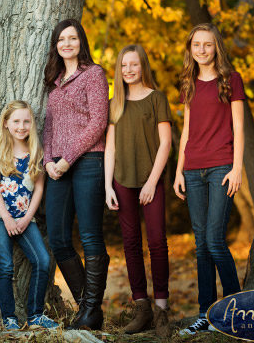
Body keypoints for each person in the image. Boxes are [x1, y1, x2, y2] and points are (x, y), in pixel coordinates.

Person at [174, 23, 244, 336]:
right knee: (201, 244)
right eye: (197, 45)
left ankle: (234, 310)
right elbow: (187, 130)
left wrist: (237, 167)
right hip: (192, 169)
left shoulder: (231, 80)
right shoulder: (188, 82)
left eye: (208, 44)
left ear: (216, 47)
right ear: (190, 49)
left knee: (215, 240)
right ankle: (206, 313)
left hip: (221, 166)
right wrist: (178, 170)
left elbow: (239, 128)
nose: (202, 50)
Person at [42, 19, 109, 330]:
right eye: (61, 39)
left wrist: (67, 159)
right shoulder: (54, 82)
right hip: (57, 166)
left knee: (90, 235)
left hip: (88, 162)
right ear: (56, 45)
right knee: (57, 237)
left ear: (81, 41)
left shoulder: (93, 75)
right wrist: (47, 160)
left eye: (72, 38)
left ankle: (90, 310)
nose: (67, 43)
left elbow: (98, 122)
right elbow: (49, 126)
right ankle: (89, 308)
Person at [104, 45, 172, 337]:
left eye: (134, 65)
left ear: (143, 66)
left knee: (157, 242)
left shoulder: (157, 98)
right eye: (123, 66)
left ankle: (161, 311)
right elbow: (110, 147)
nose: (128, 70)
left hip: (150, 180)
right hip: (122, 179)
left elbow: (166, 143)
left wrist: (151, 182)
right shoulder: (115, 103)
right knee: (130, 243)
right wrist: (107, 185)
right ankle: (141, 307)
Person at [0, 101, 59, 331]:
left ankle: (35, 315)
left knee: (42, 260)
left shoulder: (36, 152)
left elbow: (38, 190)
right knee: (5, 265)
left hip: (25, 217)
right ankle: (9, 318)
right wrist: (6, 218)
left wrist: (26, 219)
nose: (21, 126)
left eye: (26, 121)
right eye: (16, 121)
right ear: (6, 124)